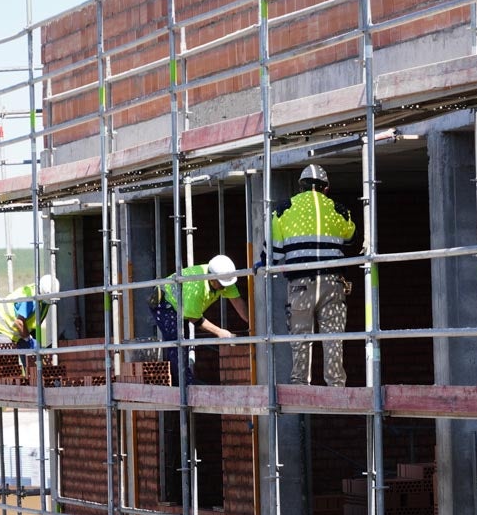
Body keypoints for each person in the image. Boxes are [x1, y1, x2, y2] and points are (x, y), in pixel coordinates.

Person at [267, 164, 356, 387]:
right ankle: (336, 387)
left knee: (301, 340)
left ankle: (300, 387)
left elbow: (274, 253)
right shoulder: (340, 210)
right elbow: (350, 236)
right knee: (333, 339)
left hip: (300, 285)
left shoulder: (282, 209)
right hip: (332, 284)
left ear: (300, 187)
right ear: (326, 189)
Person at [149, 254, 249, 384]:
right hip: (164, 303)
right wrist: (220, 332)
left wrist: (252, 323)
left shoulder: (223, 278)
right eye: (222, 284)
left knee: (182, 341)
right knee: (177, 342)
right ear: (212, 279)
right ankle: (184, 386)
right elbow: (194, 319)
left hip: (180, 305)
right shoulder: (197, 286)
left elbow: (237, 302)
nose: (225, 287)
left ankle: (184, 382)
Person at [0, 274, 61, 350]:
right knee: (7, 357)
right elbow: (19, 322)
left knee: (30, 356)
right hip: (3, 324)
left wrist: (34, 342)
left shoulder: (45, 299)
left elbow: (34, 322)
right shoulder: (30, 299)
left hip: (19, 328)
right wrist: (29, 340)